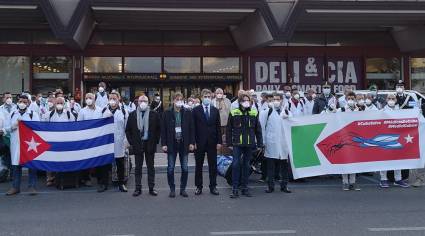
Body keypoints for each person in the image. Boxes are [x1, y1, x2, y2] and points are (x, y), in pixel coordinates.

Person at [227, 93, 263, 198]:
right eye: (244, 100)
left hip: (249, 144)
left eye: (248, 100)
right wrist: (229, 143)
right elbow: (229, 129)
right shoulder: (234, 112)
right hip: (237, 143)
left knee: (246, 166)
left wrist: (260, 144)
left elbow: (258, 129)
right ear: (240, 102)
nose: (246, 102)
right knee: (235, 165)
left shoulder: (254, 112)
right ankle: (234, 189)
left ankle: (245, 188)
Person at [161, 92, 195, 198]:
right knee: (170, 168)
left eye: (181, 99)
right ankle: (172, 189)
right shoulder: (167, 113)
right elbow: (163, 130)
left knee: (185, 168)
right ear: (173, 101)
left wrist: (191, 143)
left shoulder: (187, 112)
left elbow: (191, 129)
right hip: (172, 143)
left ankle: (183, 189)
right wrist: (164, 144)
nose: (179, 101)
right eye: (177, 99)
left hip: (184, 144)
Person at [5, 95, 40, 196]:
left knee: (31, 165)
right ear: (17, 102)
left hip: (30, 144)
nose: (22, 103)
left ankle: (32, 186)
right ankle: (15, 187)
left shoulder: (33, 114)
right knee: (16, 165)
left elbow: (37, 128)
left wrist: (27, 125)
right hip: (16, 143)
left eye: (24, 102)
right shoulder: (12, 113)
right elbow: (6, 128)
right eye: (20, 101)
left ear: (28, 103)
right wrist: (14, 125)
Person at [126, 95, 161, 196]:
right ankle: (138, 188)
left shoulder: (154, 114)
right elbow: (128, 130)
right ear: (137, 102)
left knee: (151, 167)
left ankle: (151, 188)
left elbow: (159, 129)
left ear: (148, 102)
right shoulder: (132, 115)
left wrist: (155, 141)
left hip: (150, 144)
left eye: (145, 101)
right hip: (137, 145)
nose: (143, 103)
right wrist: (132, 142)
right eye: (141, 100)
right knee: (138, 168)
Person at [259, 92, 292, 194]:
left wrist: (286, 112)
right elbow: (262, 127)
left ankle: (284, 186)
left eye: (278, 99)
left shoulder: (286, 111)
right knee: (271, 167)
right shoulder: (267, 112)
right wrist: (263, 141)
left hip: (283, 143)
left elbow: (291, 121)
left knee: (284, 167)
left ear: (282, 100)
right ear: (271, 101)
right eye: (274, 99)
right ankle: (270, 186)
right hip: (271, 142)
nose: (276, 101)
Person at [193, 89, 222, 196]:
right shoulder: (195, 110)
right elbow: (193, 127)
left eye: (209, 97)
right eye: (205, 96)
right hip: (199, 142)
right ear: (201, 98)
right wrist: (193, 141)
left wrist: (219, 141)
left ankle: (213, 186)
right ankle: (198, 187)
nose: (207, 98)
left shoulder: (215, 110)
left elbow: (218, 127)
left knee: (213, 165)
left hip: (212, 142)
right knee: (199, 165)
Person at [97, 92, 128, 193]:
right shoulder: (103, 111)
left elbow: (127, 128)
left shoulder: (124, 111)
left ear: (119, 99)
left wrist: (126, 141)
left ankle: (121, 183)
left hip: (119, 141)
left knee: (120, 164)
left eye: (114, 98)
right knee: (105, 164)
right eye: (110, 98)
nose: (112, 100)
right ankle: (104, 184)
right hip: (106, 142)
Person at [379, 93, 409, 188]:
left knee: (398, 159)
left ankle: (398, 179)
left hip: (398, 137)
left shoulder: (399, 110)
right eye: (389, 98)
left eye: (393, 98)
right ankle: (383, 179)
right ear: (386, 100)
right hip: (385, 137)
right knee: (384, 159)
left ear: (396, 100)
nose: (391, 100)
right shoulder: (382, 111)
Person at [77, 93, 103, 187]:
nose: (88, 99)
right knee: (86, 158)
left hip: (98, 138)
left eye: (90, 98)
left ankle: (100, 178)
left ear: (94, 99)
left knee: (98, 158)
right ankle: (86, 178)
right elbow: (79, 125)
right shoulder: (82, 111)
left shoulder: (100, 110)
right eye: (87, 98)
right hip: (86, 139)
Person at [339, 92, 361, 191]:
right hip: (344, 137)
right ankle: (345, 182)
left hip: (355, 138)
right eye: (349, 98)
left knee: (354, 161)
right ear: (346, 99)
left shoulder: (359, 109)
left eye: (352, 98)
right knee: (344, 160)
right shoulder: (342, 109)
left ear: (355, 99)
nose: (351, 100)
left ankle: (353, 182)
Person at [212, 88, 231, 153]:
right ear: (215, 94)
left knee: (225, 139)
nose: (219, 94)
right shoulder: (213, 101)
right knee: (217, 139)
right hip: (216, 124)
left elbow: (229, 110)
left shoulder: (227, 100)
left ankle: (225, 153)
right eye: (218, 93)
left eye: (221, 93)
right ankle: (217, 153)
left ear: (223, 94)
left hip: (226, 123)